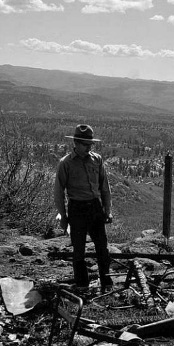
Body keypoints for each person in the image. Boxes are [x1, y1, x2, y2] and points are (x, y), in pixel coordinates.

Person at [54, 124, 113, 292]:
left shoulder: (97, 159)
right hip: (77, 209)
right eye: (86, 144)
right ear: (76, 143)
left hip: (95, 207)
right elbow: (59, 192)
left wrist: (107, 210)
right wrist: (63, 216)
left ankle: (106, 284)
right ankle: (82, 286)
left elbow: (105, 188)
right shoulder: (65, 163)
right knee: (78, 250)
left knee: (103, 248)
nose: (89, 147)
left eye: (90, 144)